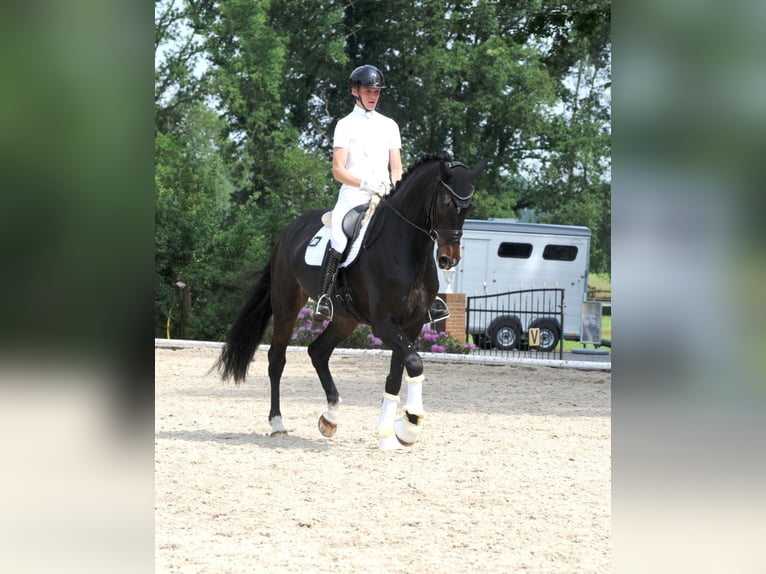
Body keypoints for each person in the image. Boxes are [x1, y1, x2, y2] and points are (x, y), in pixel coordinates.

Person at [314, 64, 450, 324]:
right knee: (340, 236)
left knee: (418, 233)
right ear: (355, 92)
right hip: (354, 195)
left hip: (386, 195)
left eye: (376, 91)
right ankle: (324, 297)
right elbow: (338, 170)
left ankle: (431, 300)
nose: (373, 95)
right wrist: (364, 183)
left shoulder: (390, 125)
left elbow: (397, 168)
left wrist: (398, 189)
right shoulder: (344, 125)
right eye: (368, 90)